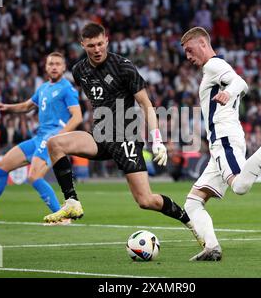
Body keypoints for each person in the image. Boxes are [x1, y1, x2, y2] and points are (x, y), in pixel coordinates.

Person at [43, 23, 193, 233]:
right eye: (91, 45)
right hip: (100, 136)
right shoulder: (79, 70)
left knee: (145, 200)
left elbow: (146, 104)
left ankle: (190, 221)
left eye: (100, 44)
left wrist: (157, 140)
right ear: (82, 45)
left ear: (107, 40)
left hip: (126, 137)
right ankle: (71, 203)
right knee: (55, 143)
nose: (96, 49)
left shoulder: (123, 67)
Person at [180, 27, 261, 261]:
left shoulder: (213, 66)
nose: (188, 56)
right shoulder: (217, 67)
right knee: (193, 203)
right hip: (222, 140)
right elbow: (242, 84)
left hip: (224, 137)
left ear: (203, 44)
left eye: (190, 50)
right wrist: (230, 90)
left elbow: (239, 82)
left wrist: (229, 91)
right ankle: (212, 247)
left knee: (239, 186)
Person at [0, 52, 83, 224]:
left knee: (34, 177)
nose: (54, 67)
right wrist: (8, 108)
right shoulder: (43, 88)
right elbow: (27, 106)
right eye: (51, 64)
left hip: (50, 139)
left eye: (58, 64)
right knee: (3, 166)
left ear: (64, 67)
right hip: (38, 138)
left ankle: (62, 216)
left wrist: (58, 138)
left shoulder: (67, 89)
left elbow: (77, 117)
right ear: (46, 67)